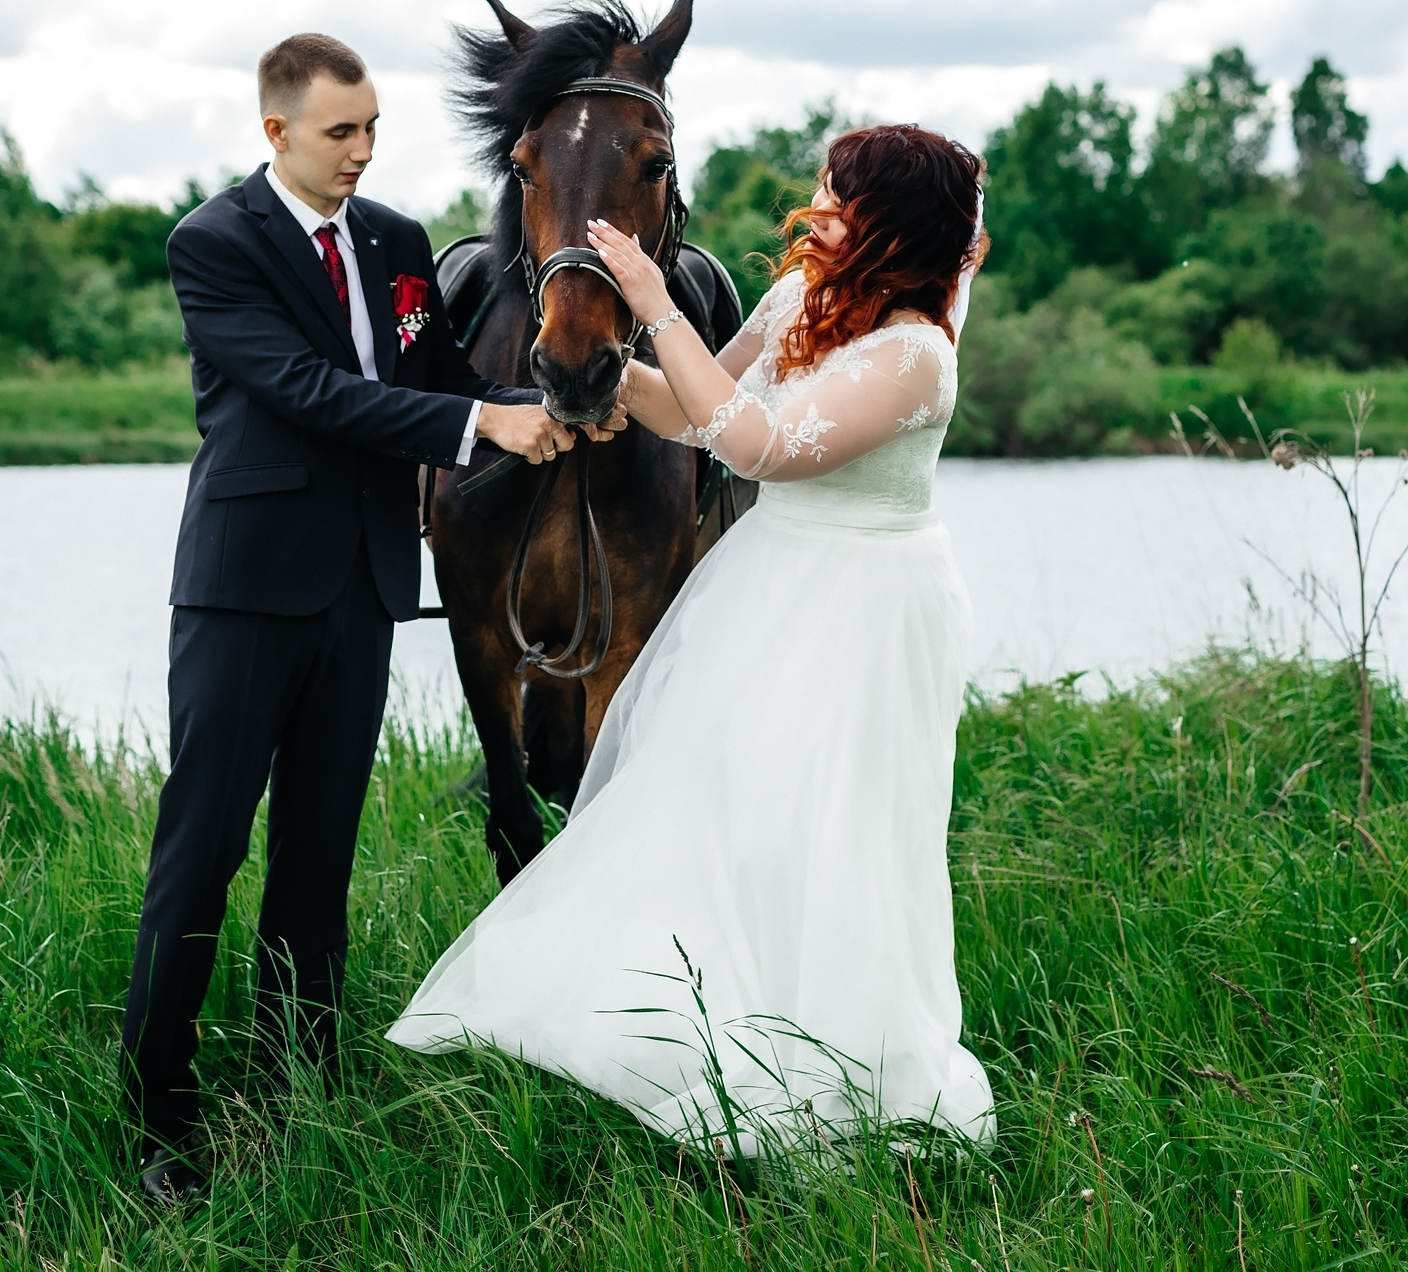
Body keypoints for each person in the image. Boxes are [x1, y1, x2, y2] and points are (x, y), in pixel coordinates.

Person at [388, 123, 994, 1152]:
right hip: (771, 585)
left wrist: (658, 300)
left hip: (866, 601)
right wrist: (593, 370)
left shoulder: (914, 355)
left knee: (838, 826)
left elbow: (756, 446)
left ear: (887, 220)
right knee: (722, 809)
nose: (816, 208)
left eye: (837, 195)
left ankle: (843, 1062)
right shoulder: (802, 299)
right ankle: (697, 1021)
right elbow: (691, 409)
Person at [124, 32, 606, 1204]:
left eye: (374, 128)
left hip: (366, 590)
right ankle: (156, 1122)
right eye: (341, 132)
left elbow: (436, 375)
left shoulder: (393, 241)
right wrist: (471, 431)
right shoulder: (212, 242)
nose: (362, 151)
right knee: (204, 851)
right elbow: (302, 391)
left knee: (318, 854)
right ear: (276, 131)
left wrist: (540, 411)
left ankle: (300, 1093)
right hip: (246, 587)